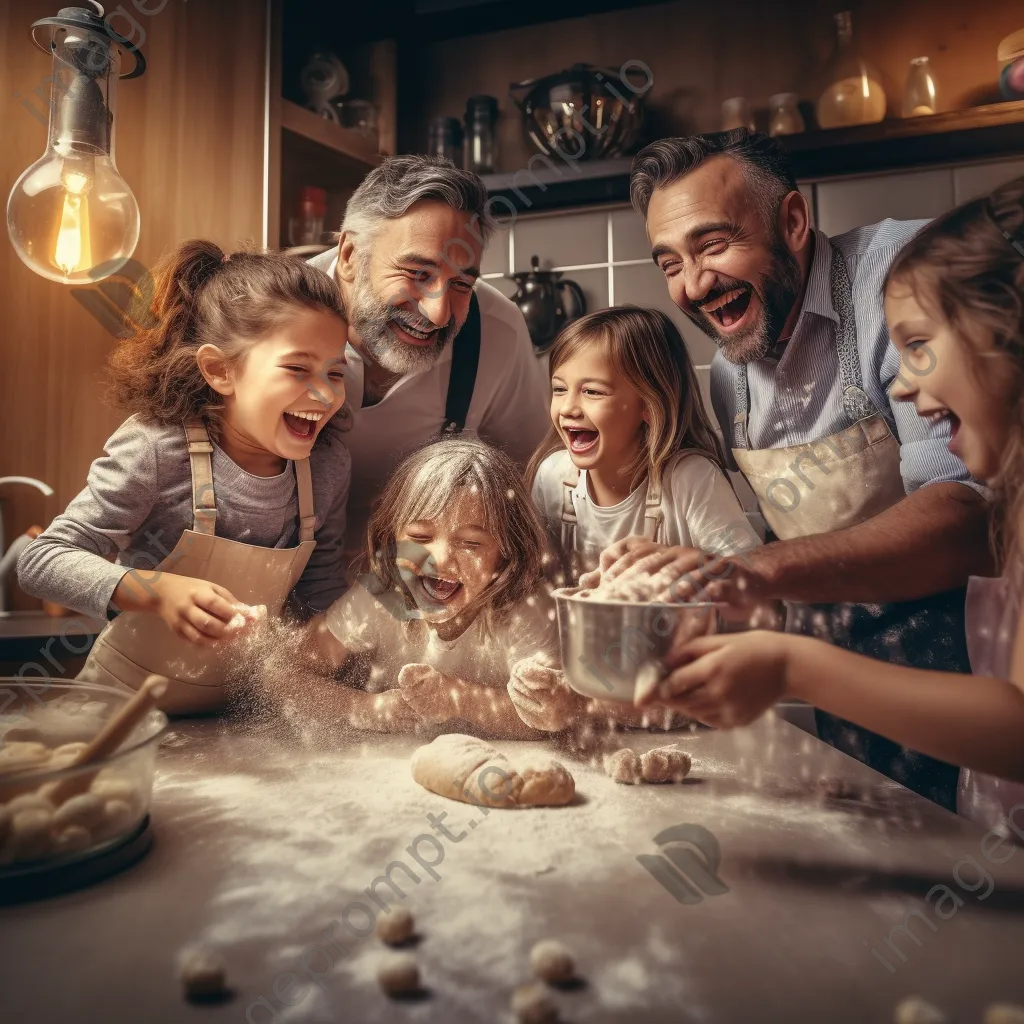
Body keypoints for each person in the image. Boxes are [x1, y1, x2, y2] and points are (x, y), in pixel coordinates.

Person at [603, 129, 996, 809]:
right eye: (669, 263)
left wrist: (750, 577)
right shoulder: (729, 374)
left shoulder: (905, 279)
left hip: (964, 668)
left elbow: (967, 516)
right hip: (845, 688)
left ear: (791, 220)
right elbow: (785, 548)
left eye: (712, 245)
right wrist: (691, 578)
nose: (693, 286)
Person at [17, 240, 352, 715]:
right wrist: (157, 591)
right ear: (220, 370)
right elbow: (42, 561)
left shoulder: (327, 465)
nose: (322, 394)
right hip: (122, 717)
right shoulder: (158, 449)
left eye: (335, 373)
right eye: (298, 368)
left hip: (236, 718)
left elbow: (318, 589)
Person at [307, 155, 549, 570]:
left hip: (409, 594)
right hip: (265, 595)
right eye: (418, 273)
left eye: (460, 284)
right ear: (349, 256)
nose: (439, 315)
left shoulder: (496, 330)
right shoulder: (267, 314)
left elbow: (530, 489)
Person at [266, 437, 575, 737]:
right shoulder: (386, 591)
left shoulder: (522, 607)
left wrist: (460, 698)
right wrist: (365, 708)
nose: (439, 560)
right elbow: (286, 674)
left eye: (470, 543)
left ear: (508, 552)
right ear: (391, 539)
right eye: (420, 538)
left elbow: (548, 719)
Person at [529, 306, 760, 585]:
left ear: (650, 405)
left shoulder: (690, 479)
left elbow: (752, 582)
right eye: (559, 389)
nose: (568, 408)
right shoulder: (552, 477)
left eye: (592, 391)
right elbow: (536, 584)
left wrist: (679, 569)